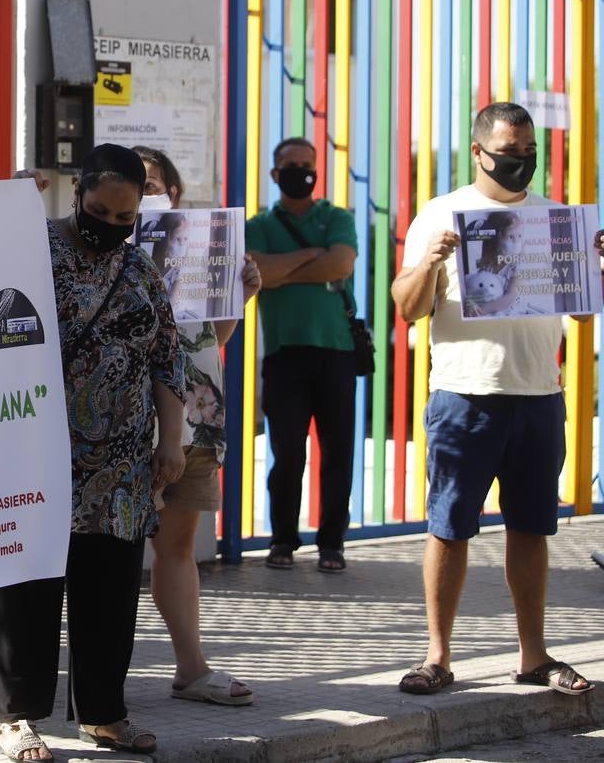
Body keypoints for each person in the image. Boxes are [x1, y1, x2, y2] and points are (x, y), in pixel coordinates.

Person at [391, 102, 600, 697]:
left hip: (538, 393)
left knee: (531, 529)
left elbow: (583, 308)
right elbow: (407, 307)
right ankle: (437, 656)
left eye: (530, 154)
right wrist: (431, 261)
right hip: (465, 395)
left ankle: (533, 656)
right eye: (510, 155)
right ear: (479, 152)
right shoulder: (441, 214)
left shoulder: (556, 219)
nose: (521, 165)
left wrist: (598, 265)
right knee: (450, 527)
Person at [0, 145, 186, 762]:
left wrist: (172, 440)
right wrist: (5, 206)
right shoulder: (31, 250)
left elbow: (166, 356)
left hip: (122, 463)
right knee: (27, 583)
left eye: (125, 217)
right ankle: (16, 719)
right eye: (100, 210)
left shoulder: (141, 272)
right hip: (35, 449)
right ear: (77, 195)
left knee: (109, 590)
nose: (111, 225)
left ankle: (104, 713)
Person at [135, 147, 258, 707]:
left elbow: (211, 342)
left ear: (174, 194)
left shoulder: (200, 250)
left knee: (177, 547)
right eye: (134, 185)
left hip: (198, 420)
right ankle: (91, 679)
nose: (145, 195)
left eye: (154, 185)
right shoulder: (102, 254)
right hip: (126, 423)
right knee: (99, 554)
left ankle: (191, 666)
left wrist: (242, 292)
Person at [245, 137, 358, 573]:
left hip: (336, 352)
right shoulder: (258, 224)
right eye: (290, 165)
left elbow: (341, 266)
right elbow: (261, 273)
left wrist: (284, 268)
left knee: (337, 452)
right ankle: (282, 540)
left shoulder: (337, 217)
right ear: (275, 174)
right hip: (284, 353)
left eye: (307, 164)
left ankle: (333, 543)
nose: (300, 171)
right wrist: (315, 253)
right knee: (286, 452)